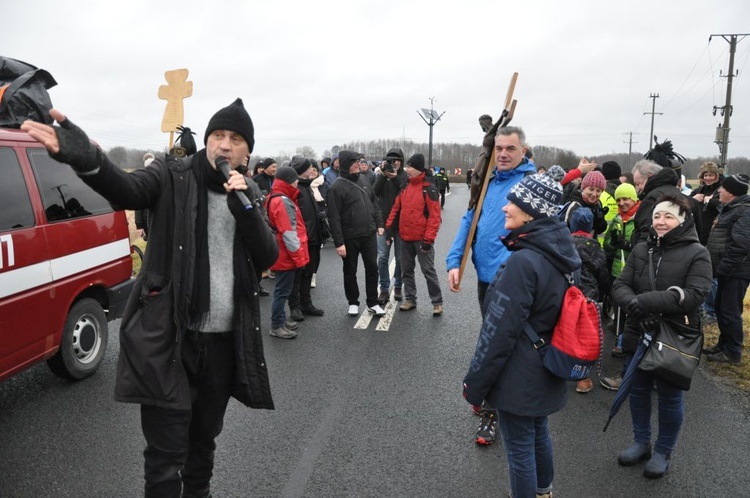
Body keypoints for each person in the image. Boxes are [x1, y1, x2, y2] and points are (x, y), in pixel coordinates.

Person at [22, 99, 279, 497]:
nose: (224, 146)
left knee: (202, 445)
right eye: (217, 136)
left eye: (235, 139)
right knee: (164, 457)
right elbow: (127, 188)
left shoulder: (249, 191)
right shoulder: (172, 175)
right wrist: (87, 158)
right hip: (171, 340)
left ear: (248, 152)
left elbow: (268, 256)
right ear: (207, 141)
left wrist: (244, 208)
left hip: (224, 345)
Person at [463, 173, 579, 498]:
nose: (505, 207)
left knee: (519, 448)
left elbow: (497, 334)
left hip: (519, 371)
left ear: (531, 212)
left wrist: (475, 384)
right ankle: (544, 492)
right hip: (547, 361)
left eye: (513, 202)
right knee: (539, 431)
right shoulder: (561, 252)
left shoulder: (524, 262)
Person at [611, 194, 711, 479]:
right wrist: (634, 305)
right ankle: (641, 442)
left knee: (669, 397)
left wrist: (645, 302)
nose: (661, 222)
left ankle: (663, 451)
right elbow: (621, 285)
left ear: (682, 220)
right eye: (657, 216)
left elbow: (695, 295)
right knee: (638, 390)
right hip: (639, 330)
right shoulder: (642, 248)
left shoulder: (698, 253)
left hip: (674, 335)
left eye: (668, 216)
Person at [326, 150, 386, 316]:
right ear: (346, 164)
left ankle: (373, 302)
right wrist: (339, 242)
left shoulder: (364, 180)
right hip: (349, 236)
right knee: (350, 270)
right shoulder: (336, 187)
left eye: (359, 161)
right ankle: (353, 302)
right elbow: (334, 217)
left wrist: (379, 223)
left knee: (372, 268)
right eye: (354, 162)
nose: (358, 164)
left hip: (368, 234)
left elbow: (374, 204)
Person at [385, 153, 443, 315]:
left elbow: (435, 217)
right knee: (406, 271)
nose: (406, 169)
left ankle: (437, 302)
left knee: (428, 271)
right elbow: (396, 208)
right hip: (405, 238)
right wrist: (389, 227)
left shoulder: (429, 189)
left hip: (422, 240)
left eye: (409, 166)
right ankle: (410, 299)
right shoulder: (405, 187)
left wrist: (428, 240)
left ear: (418, 169)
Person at [703, 174, 750, 365]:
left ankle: (733, 352)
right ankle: (723, 345)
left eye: (722, 188)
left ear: (731, 192)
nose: (719, 191)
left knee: (730, 311)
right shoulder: (731, 208)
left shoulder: (744, 212)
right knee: (722, 309)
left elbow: (741, 245)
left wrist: (723, 268)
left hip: (736, 272)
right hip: (725, 271)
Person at [567, 207, 610, 394]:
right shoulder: (593, 246)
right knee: (585, 336)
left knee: (565, 331)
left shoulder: (564, 243)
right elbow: (602, 274)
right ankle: (582, 379)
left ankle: (559, 368)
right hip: (588, 298)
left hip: (567, 295)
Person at [265, 165, 310, 339]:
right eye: (295, 180)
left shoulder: (275, 197)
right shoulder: (283, 201)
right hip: (285, 255)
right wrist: (299, 258)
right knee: (282, 292)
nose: (298, 183)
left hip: (282, 253)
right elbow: (289, 233)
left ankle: (281, 320)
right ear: (290, 182)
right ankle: (277, 325)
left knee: (282, 290)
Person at [601, 183, 641, 365]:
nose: (622, 203)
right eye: (619, 200)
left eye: (625, 199)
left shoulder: (640, 218)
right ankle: (620, 341)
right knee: (619, 307)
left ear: (634, 198)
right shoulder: (617, 219)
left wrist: (630, 245)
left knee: (633, 306)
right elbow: (607, 244)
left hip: (635, 271)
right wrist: (614, 243)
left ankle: (634, 340)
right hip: (618, 270)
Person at [287, 156, 326, 320]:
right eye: (309, 168)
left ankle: (306, 303)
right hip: (302, 238)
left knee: (309, 272)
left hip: (313, 236)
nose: (312, 170)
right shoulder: (295, 187)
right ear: (301, 170)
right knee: (297, 274)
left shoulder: (307, 186)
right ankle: (295, 307)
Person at [373, 147, 407, 304]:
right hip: (383, 223)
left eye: (397, 160)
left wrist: (394, 178)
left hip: (401, 224)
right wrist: (382, 174)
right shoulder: (381, 175)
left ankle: (398, 285)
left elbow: (405, 192)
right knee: (382, 258)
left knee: (400, 259)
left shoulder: (405, 176)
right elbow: (374, 193)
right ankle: (384, 288)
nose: (395, 163)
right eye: (391, 161)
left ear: (401, 161)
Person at [631, 159, 681, 246]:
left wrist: (638, 255)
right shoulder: (677, 193)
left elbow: (646, 233)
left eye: (638, 184)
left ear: (649, 176)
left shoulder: (651, 198)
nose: (637, 189)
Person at [559, 170, 609, 238]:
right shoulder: (574, 206)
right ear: (583, 188)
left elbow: (598, 231)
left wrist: (600, 222)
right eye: (591, 189)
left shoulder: (598, 204)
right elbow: (565, 233)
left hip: (591, 245)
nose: (594, 194)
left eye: (598, 191)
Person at [134, 152, 155, 240]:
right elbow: (138, 206)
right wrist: (139, 226)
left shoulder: (162, 180)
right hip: (148, 222)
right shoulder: (142, 182)